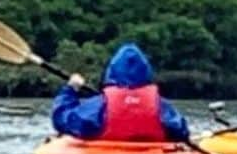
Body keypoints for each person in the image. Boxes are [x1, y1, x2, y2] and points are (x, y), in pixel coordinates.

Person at [51, 42, 190, 142]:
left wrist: (70, 91)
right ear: (146, 72)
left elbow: (63, 121)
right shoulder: (160, 106)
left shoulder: (100, 105)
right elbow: (181, 131)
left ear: (112, 71)